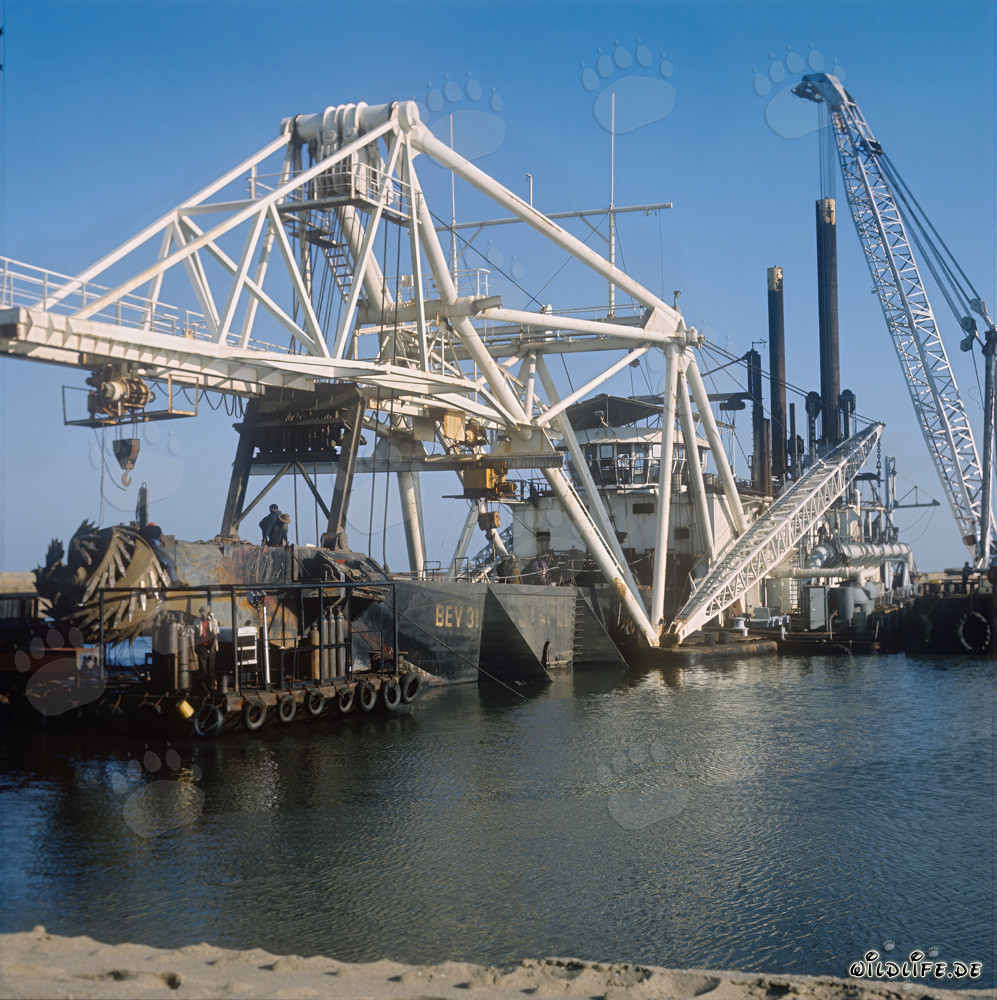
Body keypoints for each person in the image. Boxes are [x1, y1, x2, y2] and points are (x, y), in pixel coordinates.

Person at [194, 604, 219, 693]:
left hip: (211, 647)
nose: (203, 615)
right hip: (201, 647)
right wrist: (195, 647)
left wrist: (212, 648)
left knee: (211, 669)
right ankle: (204, 689)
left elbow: (215, 635)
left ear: (208, 613)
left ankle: (212, 687)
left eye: (205, 614)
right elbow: (196, 635)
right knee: (203, 669)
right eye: (202, 614)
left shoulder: (213, 622)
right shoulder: (196, 622)